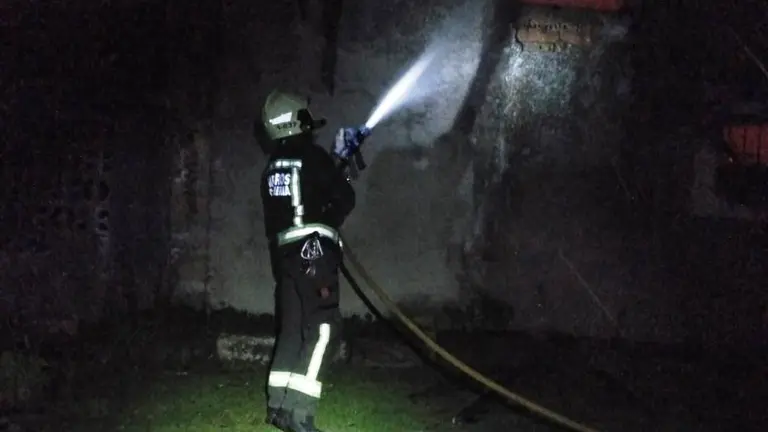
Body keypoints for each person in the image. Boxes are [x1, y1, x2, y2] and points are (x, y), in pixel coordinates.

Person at [259, 90, 356, 432]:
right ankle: (300, 413)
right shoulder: (314, 157)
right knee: (324, 328)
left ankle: (278, 406)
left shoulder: (273, 167)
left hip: (285, 255)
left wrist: (335, 165)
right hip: (313, 251)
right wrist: (342, 164)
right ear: (296, 122)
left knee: (293, 330)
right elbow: (342, 200)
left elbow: (308, 196)